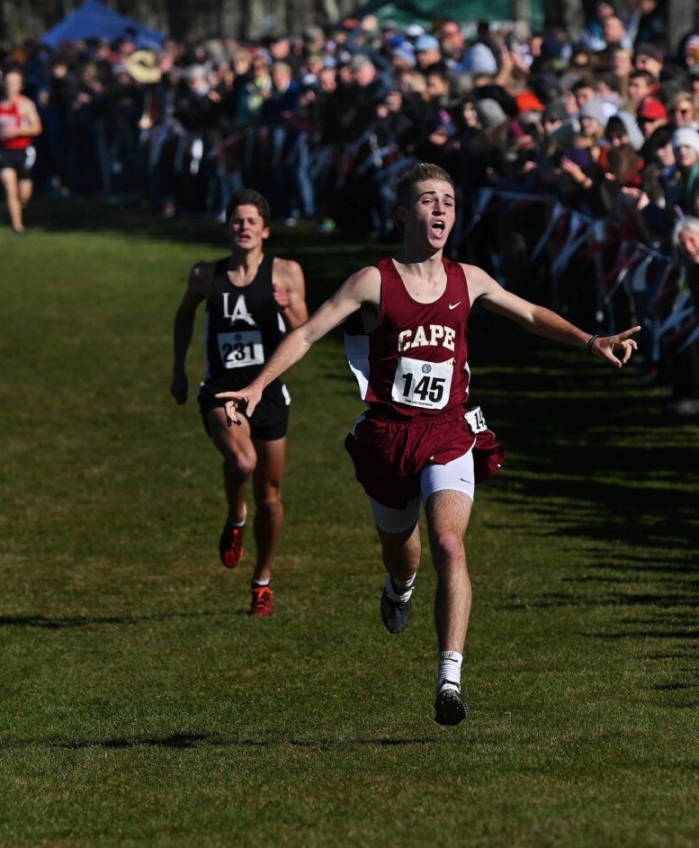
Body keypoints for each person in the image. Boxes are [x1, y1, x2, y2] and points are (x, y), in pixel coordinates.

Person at [215, 164, 640, 726]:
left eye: (448, 201)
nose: (440, 209)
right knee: (403, 549)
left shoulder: (470, 279)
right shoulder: (373, 281)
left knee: (450, 543)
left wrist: (590, 340)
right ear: (402, 214)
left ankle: (449, 678)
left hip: (449, 430)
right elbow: (308, 332)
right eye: (427, 200)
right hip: (389, 435)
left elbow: (530, 314)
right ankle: (401, 585)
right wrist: (256, 385)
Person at [171, 189, 310, 617]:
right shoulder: (205, 274)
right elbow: (184, 314)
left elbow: (306, 331)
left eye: (252, 221)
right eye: (237, 220)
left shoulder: (286, 272)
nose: (244, 227)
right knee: (244, 461)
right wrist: (178, 370)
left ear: (265, 230)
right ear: (227, 227)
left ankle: (262, 582)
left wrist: (287, 311)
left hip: (267, 394)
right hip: (221, 392)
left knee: (270, 497)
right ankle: (236, 516)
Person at [0, 69, 43, 234]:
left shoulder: (26, 104)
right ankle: (17, 227)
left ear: (20, 85)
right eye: (8, 82)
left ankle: (21, 207)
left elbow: (37, 128)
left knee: (23, 194)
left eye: (14, 83)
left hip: (23, 151)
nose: (10, 86)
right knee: (9, 185)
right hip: (5, 151)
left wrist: (17, 131)